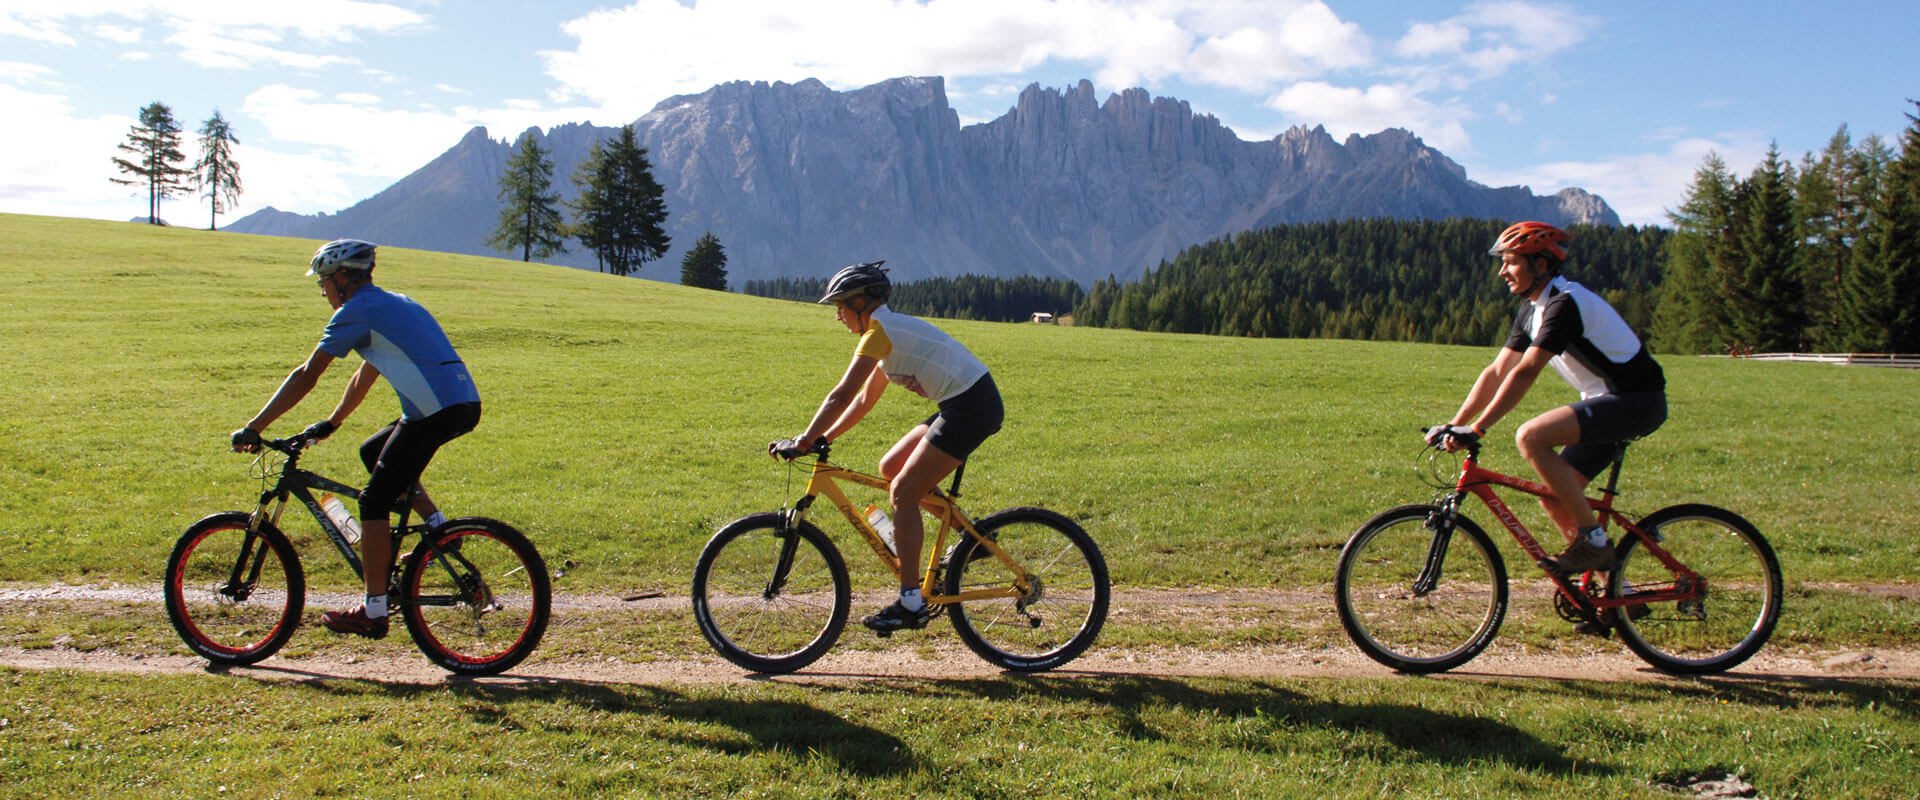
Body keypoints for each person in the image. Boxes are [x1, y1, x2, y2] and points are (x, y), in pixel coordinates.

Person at [231, 239, 482, 639]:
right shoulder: (391, 303)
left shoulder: (356, 311)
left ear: (344, 278)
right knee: (374, 452)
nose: (323, 291)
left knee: (373, 501)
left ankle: (374, 610)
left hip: (435, 411)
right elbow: (367, 371)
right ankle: (438, 529)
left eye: (324, 282)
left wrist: (255, 426)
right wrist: (333, 422)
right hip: (459, 402)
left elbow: (306, 375)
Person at [769, 261, 1005, 633]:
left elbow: (841, 394)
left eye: (840, 307)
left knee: (904, 492)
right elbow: (862, 400)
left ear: (860, 303)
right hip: (963, 404)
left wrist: (804, 440)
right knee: (891, 467)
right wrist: (825, 439)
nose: (838, 317)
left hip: (971, 408)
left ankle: (910, 602)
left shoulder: (879, 332)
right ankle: (972, 540)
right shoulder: (886, 332)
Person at [1428, 221, 1667, 575]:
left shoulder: (1563, 304)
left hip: (1635, 400)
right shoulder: (1532, 310)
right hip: (1607, 401)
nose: (1502, 272)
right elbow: (1496, 371)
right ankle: (1615, 598)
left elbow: (1525, 372)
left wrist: (1477, 430)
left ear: (1539, 264)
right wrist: (1456, 423)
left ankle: (1594, 541)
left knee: (1531, 437)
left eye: (1510, 262)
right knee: (1555, 500)